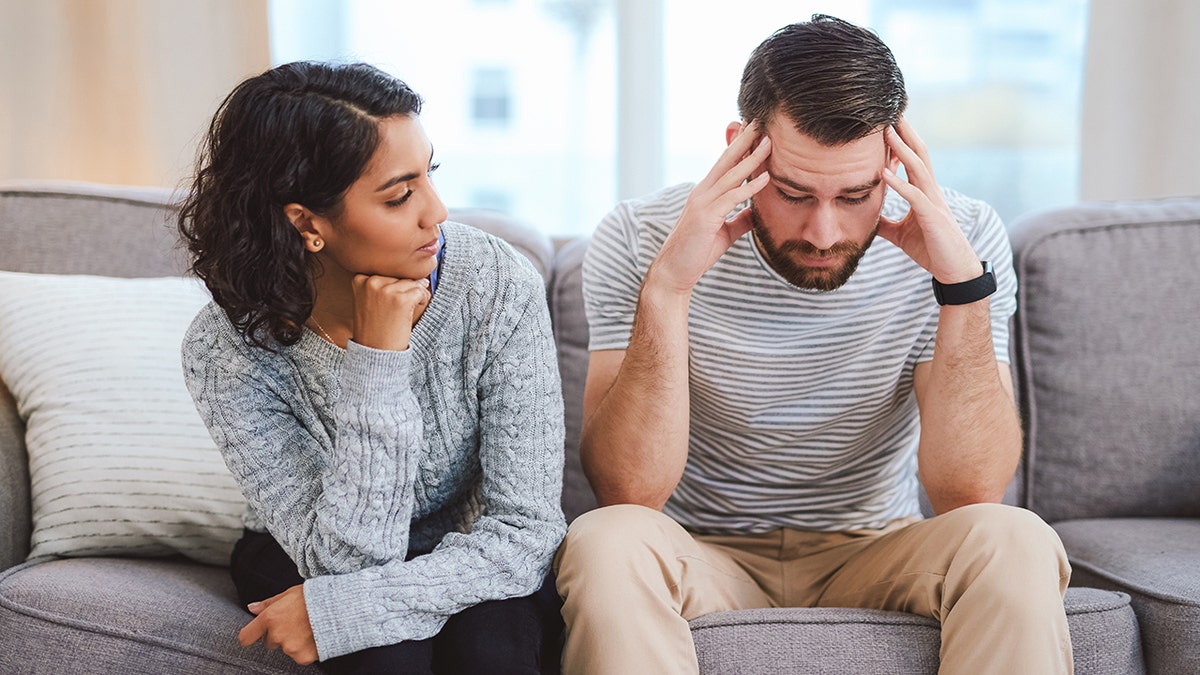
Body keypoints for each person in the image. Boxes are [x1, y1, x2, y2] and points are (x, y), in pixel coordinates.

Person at [555, 14, 1073, 675]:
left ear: (894, 160)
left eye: (856, 195)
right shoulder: (640, 235)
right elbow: (629, 488)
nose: (824, 232)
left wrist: (960, 288)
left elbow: (968, 490)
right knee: (603, 539)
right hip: (700, 549)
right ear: (740, 149)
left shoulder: (962, 236)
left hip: (876, 548)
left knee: (1017, 538)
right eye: (794, 193)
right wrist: (668, 289)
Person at [177, 61, 566, 675]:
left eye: (429, 174)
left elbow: (525, 528)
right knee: (382, 653)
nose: (436, 212)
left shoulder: (496, 284)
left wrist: (345, 611)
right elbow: (346, 566)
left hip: (473, 549)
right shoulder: (225, 350)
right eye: (399, 195)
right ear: (307, 223)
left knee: (491, 649)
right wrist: (379, 362)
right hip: (309, 547)